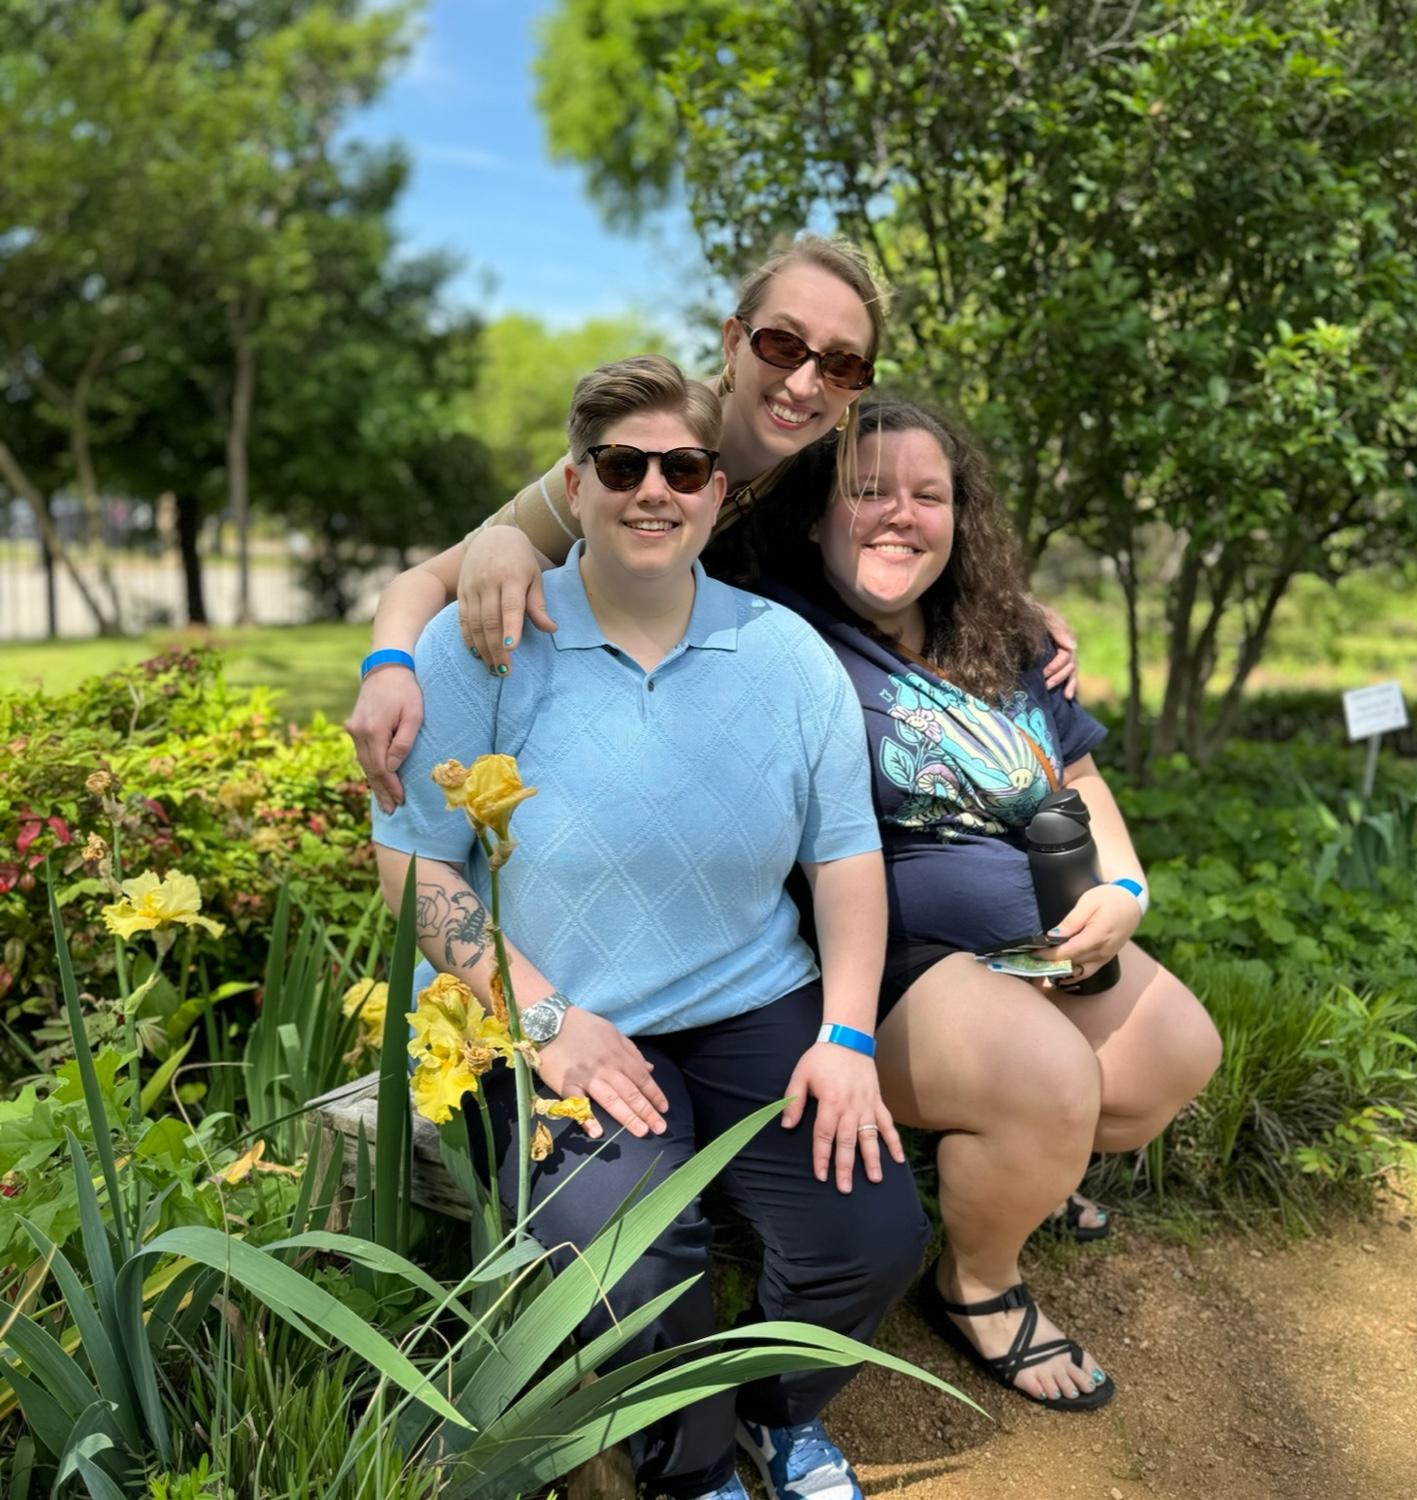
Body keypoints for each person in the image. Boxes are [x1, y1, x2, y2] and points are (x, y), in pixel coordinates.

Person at [371, 357, 928, 1500]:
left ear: (718, 492)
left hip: (749, 1000)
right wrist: (542, 1019)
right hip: (554, 1009)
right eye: (623, 467)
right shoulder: (486, 644)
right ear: (576, 486)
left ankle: (780, 1414)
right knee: (631, 1256)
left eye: (682, 467)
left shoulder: (785, 656)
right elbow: (414, 861)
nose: (653, 491)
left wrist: (847, 1036)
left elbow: (844, 857)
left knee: (870, 1235)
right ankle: (695, 1468)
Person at [748, 399, 1223, 1411]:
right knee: (1052, 1081)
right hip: (886, 967)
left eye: (928, 495)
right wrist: (480, 566)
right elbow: (637, 527)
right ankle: (978, 1283)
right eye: (868, 490)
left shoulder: (999, 632)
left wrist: (1126, 888)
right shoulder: (772, 632)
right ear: (816, 513)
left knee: (1173, 1058)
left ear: (959, 518)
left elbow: (1079, 776)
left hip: (1034, 935)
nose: (899, 514)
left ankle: (1027, 1165)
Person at [346, 235, 1081, 820]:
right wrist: (390, 666)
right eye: (783, 345)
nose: (804, 383)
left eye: (841, 365)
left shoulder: (823, 473)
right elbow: (425, 582)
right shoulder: (643, 453)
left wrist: (1010, 613)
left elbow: (900, 550)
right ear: (734, 340)